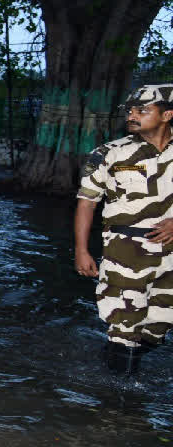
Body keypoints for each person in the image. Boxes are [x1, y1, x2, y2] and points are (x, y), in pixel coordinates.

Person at [74, 84, 173, 376]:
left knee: (159, 326)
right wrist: (81, 250)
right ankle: (119, 406)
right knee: (125, 327)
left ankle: (110, 361)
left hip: (170, 254)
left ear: (167, 114)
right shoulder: (109, 154)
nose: (133, 115)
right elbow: (86, 203)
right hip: (125, 251)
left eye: (143, 110)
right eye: (130, 110)